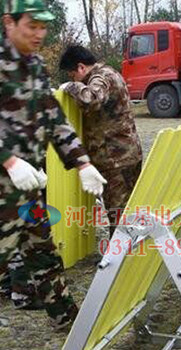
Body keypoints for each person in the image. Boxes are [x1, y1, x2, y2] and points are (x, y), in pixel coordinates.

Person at [0, 0, 107, 328]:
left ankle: (68, 321)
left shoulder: (34, 67)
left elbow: (54, 121)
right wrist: (9, 160)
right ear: (9, 22)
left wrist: (82, 163)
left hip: (30, 188)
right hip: (6, 187)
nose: (39, 34)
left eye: (43, 27)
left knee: (43, 254)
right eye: (32, 26)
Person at [59, 46, 143, 234]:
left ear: (81, 67)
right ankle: (129, 255)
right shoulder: (109, 73)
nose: (73, 79)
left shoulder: (101, 77)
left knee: (119, 215)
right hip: (125, 154)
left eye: (72, 75)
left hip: (116, 160)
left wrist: (71, 87)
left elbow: (92, 99)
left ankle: (120, 260)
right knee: (128, 211)